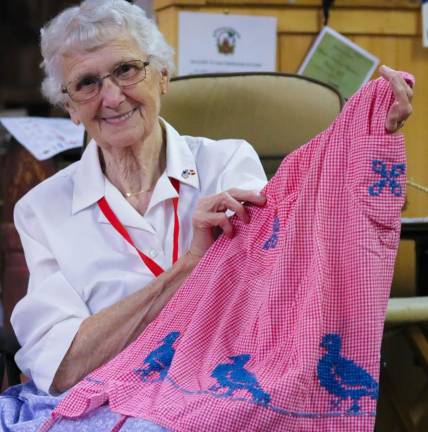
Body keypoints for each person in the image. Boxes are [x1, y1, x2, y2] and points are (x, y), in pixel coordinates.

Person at [0, 0, 413, 430]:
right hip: (105, 397)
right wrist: (191, 266)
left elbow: (291, 265)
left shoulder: (226, 162)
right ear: (69, 107)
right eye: (86, 83)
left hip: (218, 388)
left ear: (162, 76)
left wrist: (364, 144)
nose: (111, 97)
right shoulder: (41, 209)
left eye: (126, 70)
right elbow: (64, 366)